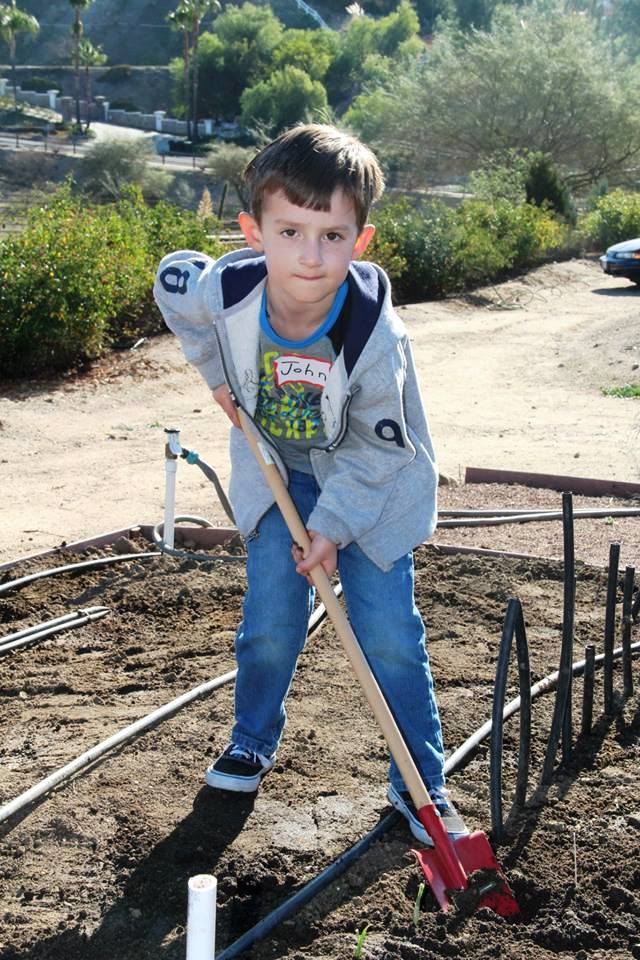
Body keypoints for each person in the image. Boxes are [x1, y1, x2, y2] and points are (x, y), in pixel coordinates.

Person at [153, 123, 467, 845]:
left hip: (372, 492)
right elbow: (173, 282)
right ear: (252, 230)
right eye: (290, 229)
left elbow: (376, 454)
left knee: (388, 636)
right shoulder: (224, 287)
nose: (309, 253)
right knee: (269, 621)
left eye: (332, 235)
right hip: (276, 477)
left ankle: (421, 783)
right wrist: (215, 378)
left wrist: (330, 528)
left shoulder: (373, 337)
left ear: (361, 241)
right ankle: (251, 740)